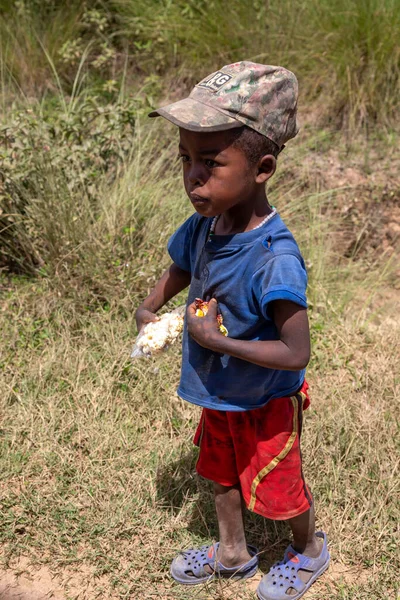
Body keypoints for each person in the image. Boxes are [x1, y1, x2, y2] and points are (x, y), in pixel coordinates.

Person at [135, 61, 330, 600]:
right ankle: (232, 552)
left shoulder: (274, 257)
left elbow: (295, 351)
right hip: (218, 393)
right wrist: (151, 306)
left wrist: (217, 342)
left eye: (211, 163)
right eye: (186, 160)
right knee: (218, 474)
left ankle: (309, 549)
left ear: (262, 167)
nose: (193, 176)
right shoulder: (205, 224)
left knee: (277, 487)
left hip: (264, 399)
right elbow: (180, 265)